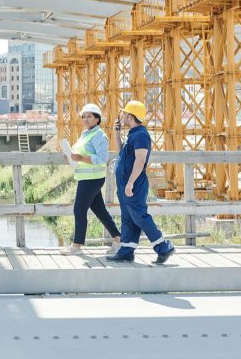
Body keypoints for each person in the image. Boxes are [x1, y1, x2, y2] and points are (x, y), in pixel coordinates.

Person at [106, 100, 175, 264]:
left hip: (134, 183)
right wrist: (116, 134)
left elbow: (140, 160)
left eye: (124, 114)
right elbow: (122, 153)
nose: (121, 116)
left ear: (130, 116)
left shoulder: (141, 135)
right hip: (126, 183)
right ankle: (126, 250)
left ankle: (163, 246)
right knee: (128, 217)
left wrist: (130, 183)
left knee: (139, 216)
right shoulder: (133, 134)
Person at [61, 103, 121, 255]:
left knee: (79, 210)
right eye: (84, 116)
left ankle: (77, 246)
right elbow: (78, 153)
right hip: (86, 177)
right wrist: (70, 156)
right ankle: (119, 240)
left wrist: (80, 157)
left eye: (90, 116)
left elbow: (102, 158)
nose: (86, 119)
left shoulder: (99, 135)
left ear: (97, 119)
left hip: (92, 178)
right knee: (100, 211)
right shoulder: (85, 134)